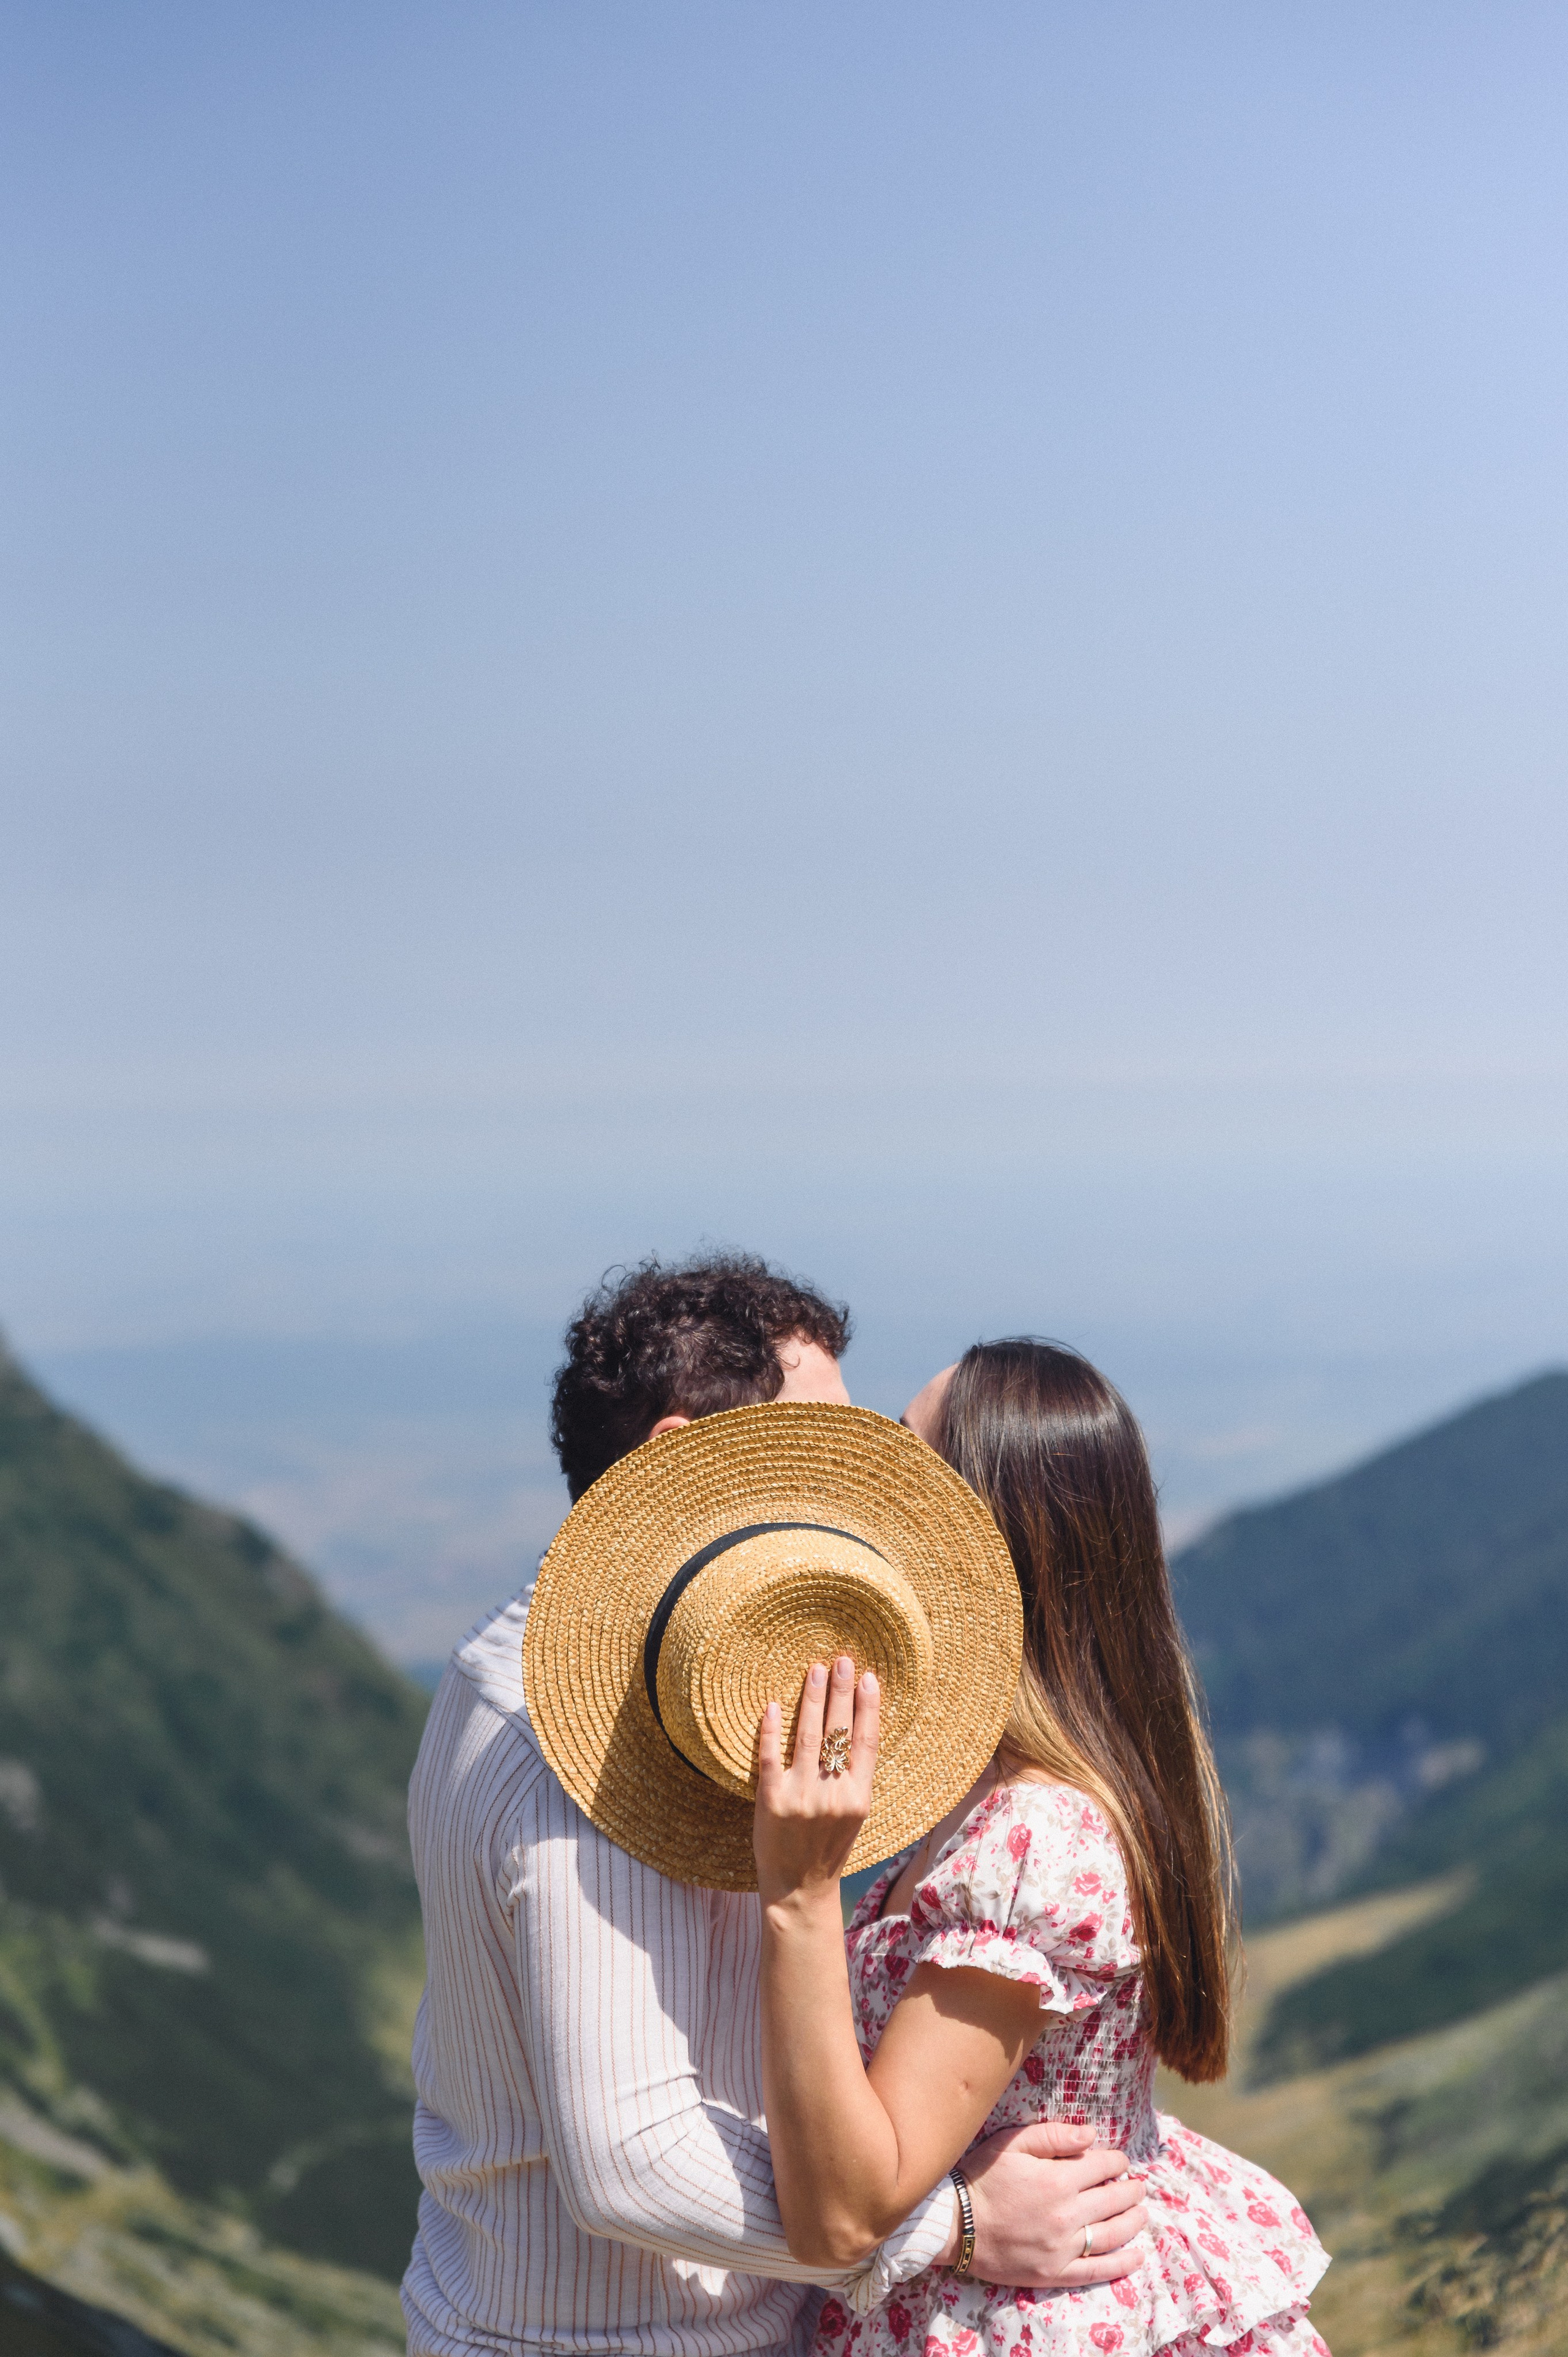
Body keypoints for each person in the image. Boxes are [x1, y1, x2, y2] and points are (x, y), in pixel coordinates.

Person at [401, 1262, 1150, 2357]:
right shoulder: (596, 1756)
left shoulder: (517, 1662)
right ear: (676, 1461)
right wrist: (952, 2227)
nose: (857, 1500)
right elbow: (638, 2161)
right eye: (815, 1459)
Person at [752, 1338, 1332, 2357]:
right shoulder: (987, 1795)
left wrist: (798, 1894)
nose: (868, 1495)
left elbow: (844, 2213)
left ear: (982, 1539)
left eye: (903, 1461)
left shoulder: (1029, 1836)